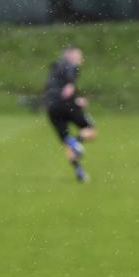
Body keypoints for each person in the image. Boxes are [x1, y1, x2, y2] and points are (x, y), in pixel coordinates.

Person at [45, 46, 96, 183]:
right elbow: (67, 91)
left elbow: (52, 90)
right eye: (79, 56)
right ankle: (76, 142)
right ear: (71, 55)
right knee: (91, 130)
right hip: (66, 105)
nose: (81, 59)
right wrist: (76, 101)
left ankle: (79, 171)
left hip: (51, 108)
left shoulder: (55, 68)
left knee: (66, 140)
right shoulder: (71, 67)